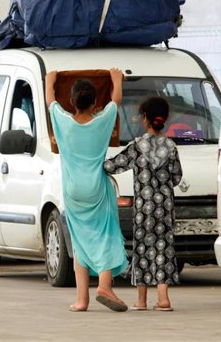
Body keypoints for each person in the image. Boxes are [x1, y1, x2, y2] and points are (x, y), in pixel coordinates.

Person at [46, 68, 129, 313]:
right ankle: (104, 286)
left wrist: (50, 79)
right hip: (96, 188)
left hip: (72, 191)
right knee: (106, 234)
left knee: (80, 239)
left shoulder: (62, 121)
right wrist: (115, 78)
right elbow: (116, 100)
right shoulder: (102, 122)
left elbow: (50, 100)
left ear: (71, 102)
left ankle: (82, 300)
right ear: (95, 103)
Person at [104, 96, 183, 311]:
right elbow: (177, 177)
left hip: (143, 210)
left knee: (142, 248)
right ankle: (163, 298)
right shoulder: (171, 146)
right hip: (165, 209)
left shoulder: (137, 146)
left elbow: (112, 166)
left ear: (146, 119)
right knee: (163, 248)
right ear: (164, 119)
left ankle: (141, 300)